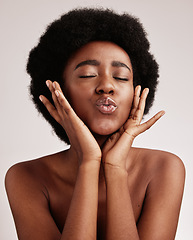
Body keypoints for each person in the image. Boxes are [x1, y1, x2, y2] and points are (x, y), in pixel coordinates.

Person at [5, 8, 185, 240]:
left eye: (120, 77)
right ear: (57, 90)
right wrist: (89, 163)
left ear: (136, 93)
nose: (106, 86)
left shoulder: (164, 169)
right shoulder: (25, 177)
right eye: (88, 74)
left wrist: (115, 169)